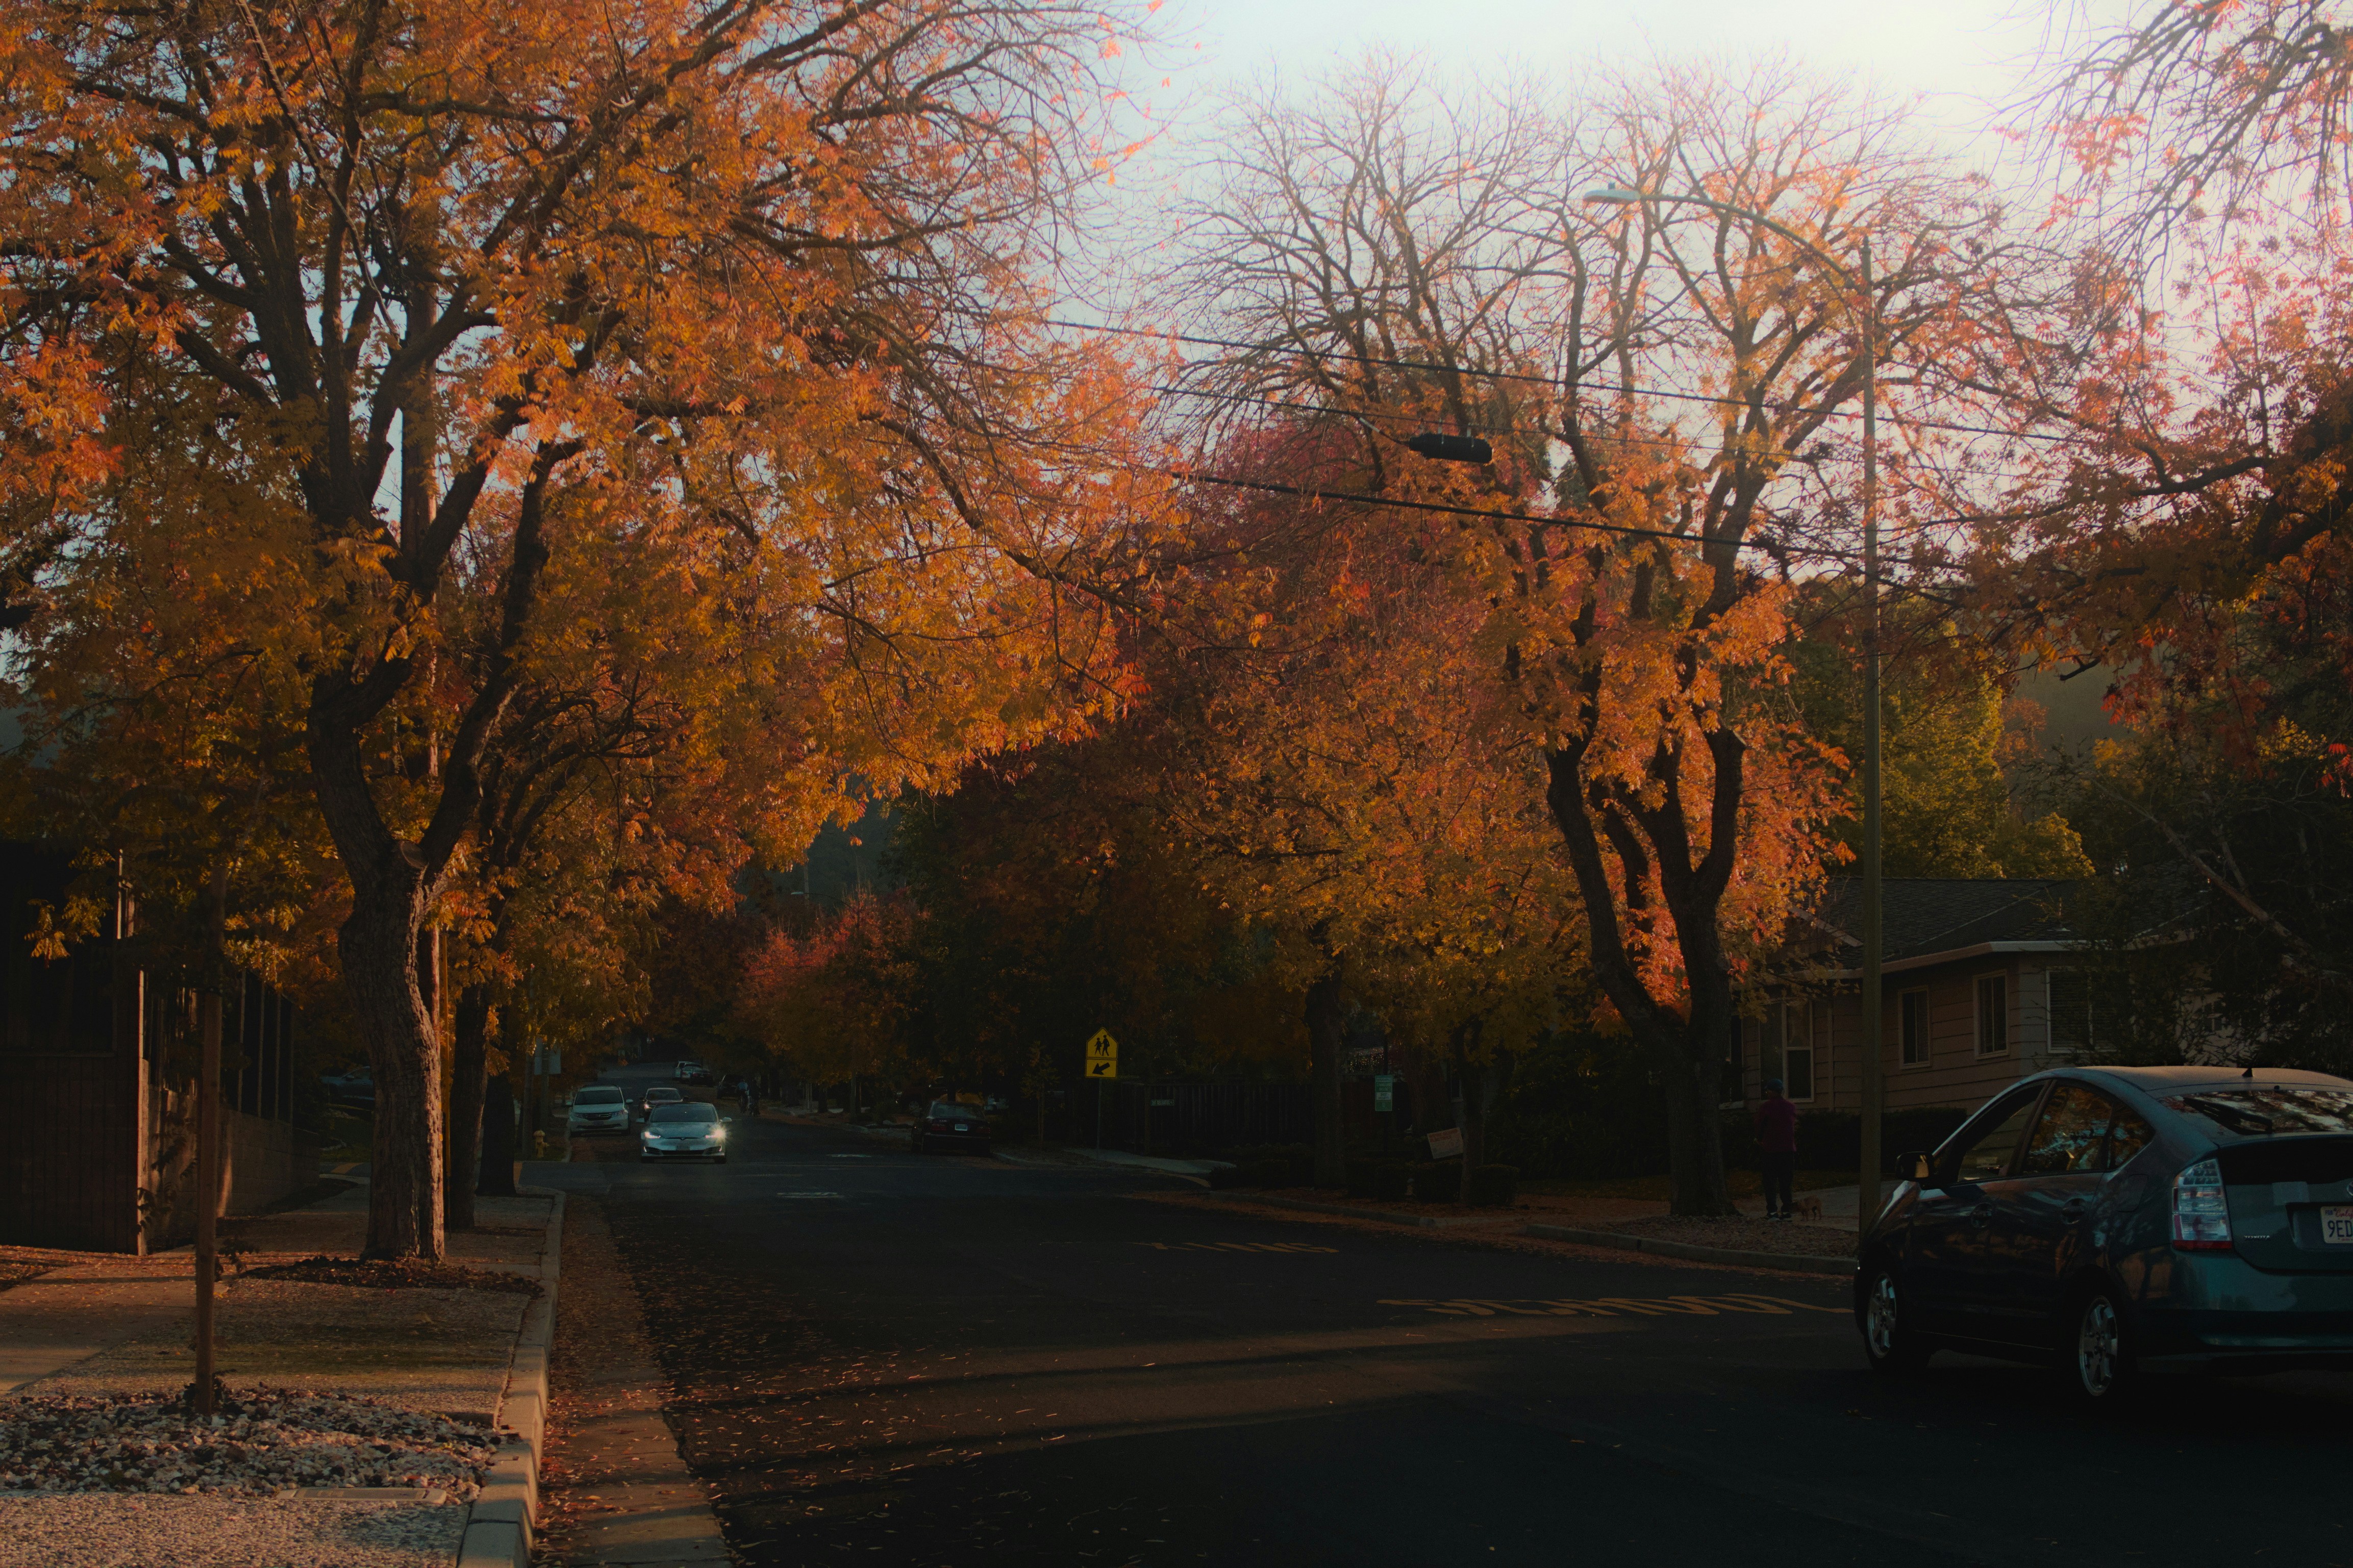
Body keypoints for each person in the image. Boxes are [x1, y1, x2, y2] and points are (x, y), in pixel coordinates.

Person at [1756, 1078, 1798, 1220]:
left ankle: (1772, 1212)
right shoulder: (1791, 1107)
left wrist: (1759, 1140)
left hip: (1771, 1149)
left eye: (1768, 1090)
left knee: (1770, 1182)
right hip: (1788, 1149)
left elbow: (1760, 1126)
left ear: (1773, 1092)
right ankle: (1787, 1211)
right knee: (1786, 1181)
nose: (1767, 1093)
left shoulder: (1766, 1107)